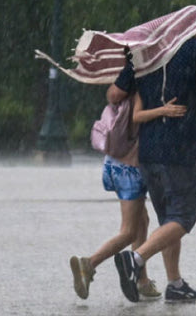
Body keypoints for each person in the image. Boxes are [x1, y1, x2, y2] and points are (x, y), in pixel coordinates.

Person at [114, 24, 196, 302]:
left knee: (167, 220)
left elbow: (114, 94)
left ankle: (175, 284)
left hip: (148, 152)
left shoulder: (147, 53)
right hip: (180, 152)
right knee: (183, 217)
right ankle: (135, 261)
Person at [68, 55, 181, 302]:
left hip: (115, 161)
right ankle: (89, 264)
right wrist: (164, 110)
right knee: (129, 231)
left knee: (142, 220)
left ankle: (141, 281)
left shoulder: (123, 85)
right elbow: (136, 118)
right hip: (130, 167)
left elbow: (114, 97)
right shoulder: (143, 85)